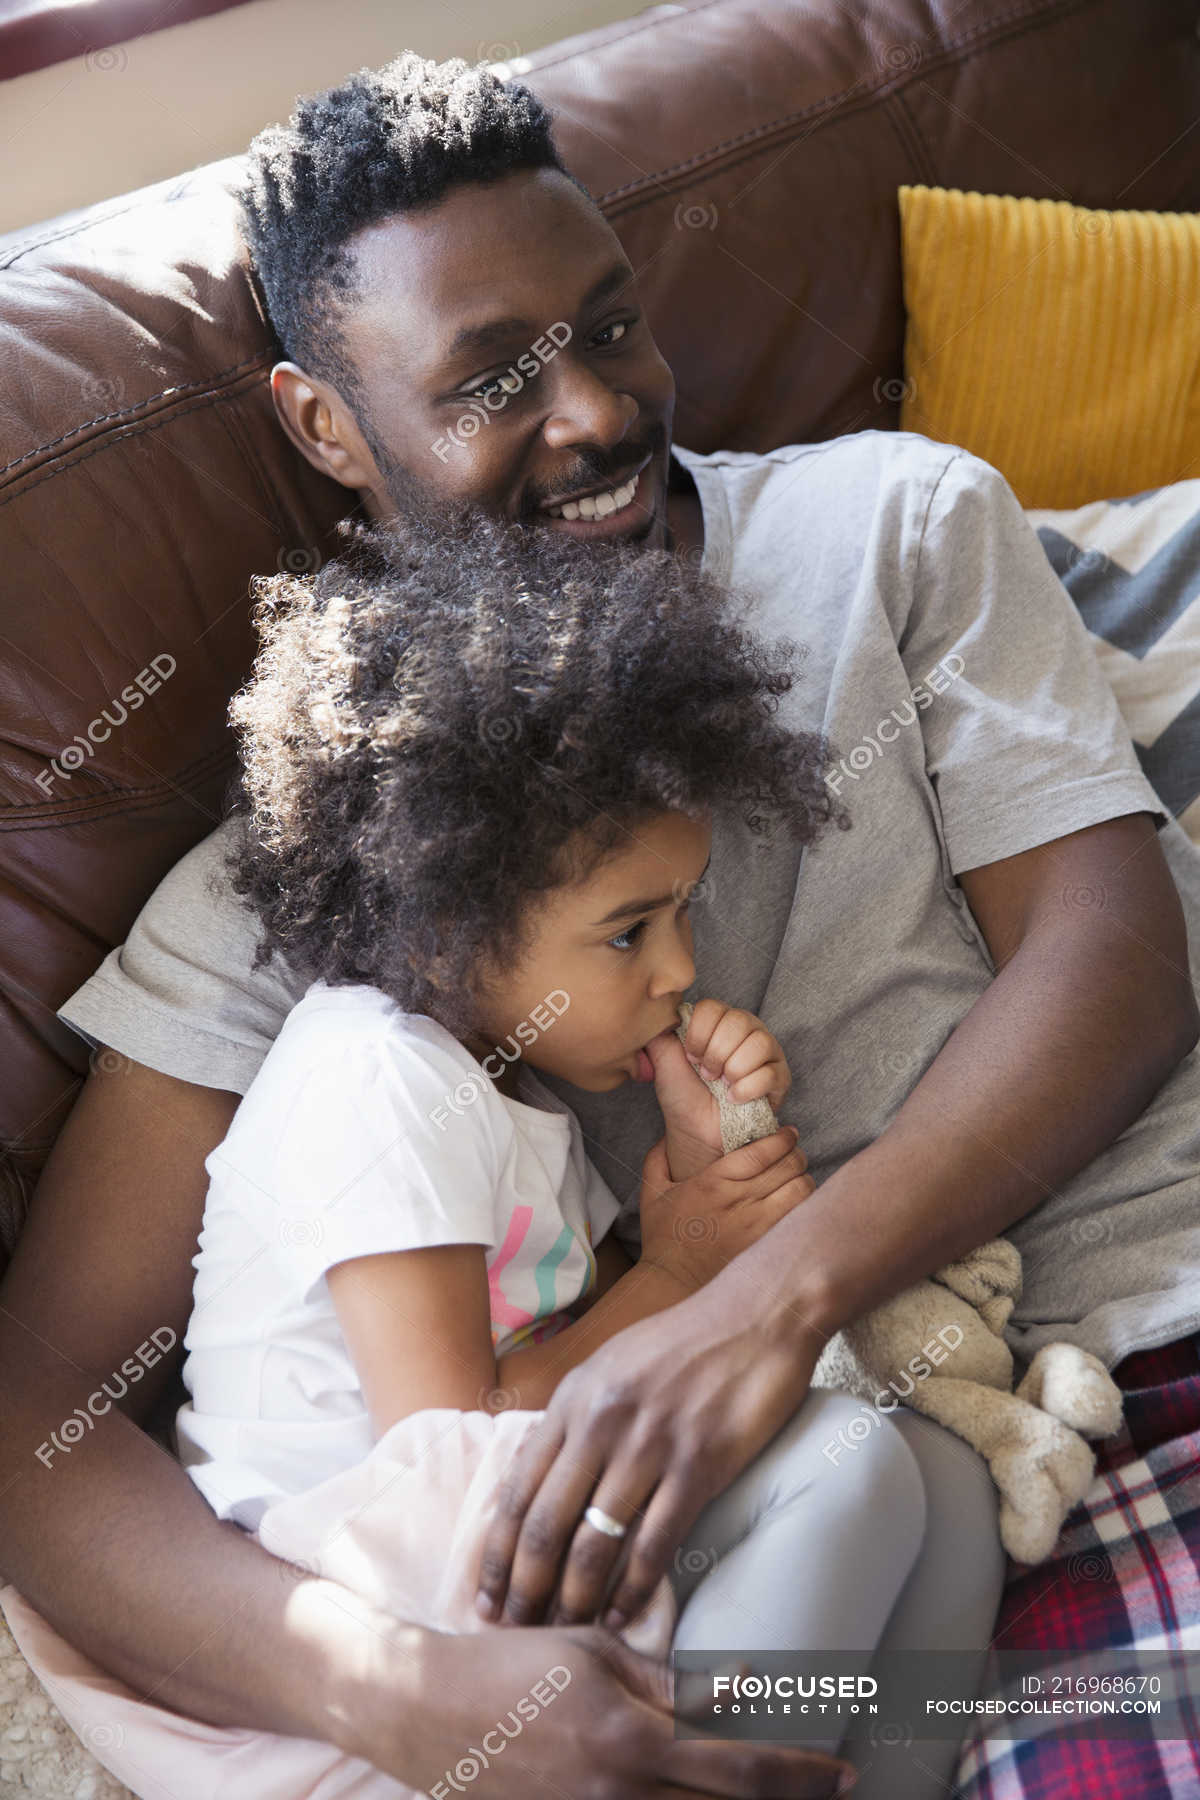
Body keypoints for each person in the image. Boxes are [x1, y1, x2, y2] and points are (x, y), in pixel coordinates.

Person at [1, 48, 1197, 1800]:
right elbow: (39, 1417)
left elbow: (1119, 964)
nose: (592, 413)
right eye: (493, 379)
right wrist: (399, 1696)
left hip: (1131, 1353)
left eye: (613, 328)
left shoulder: (891, 524)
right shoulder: (332, 863)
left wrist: (761, 1301)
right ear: (325, 425)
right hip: (787, 1539)